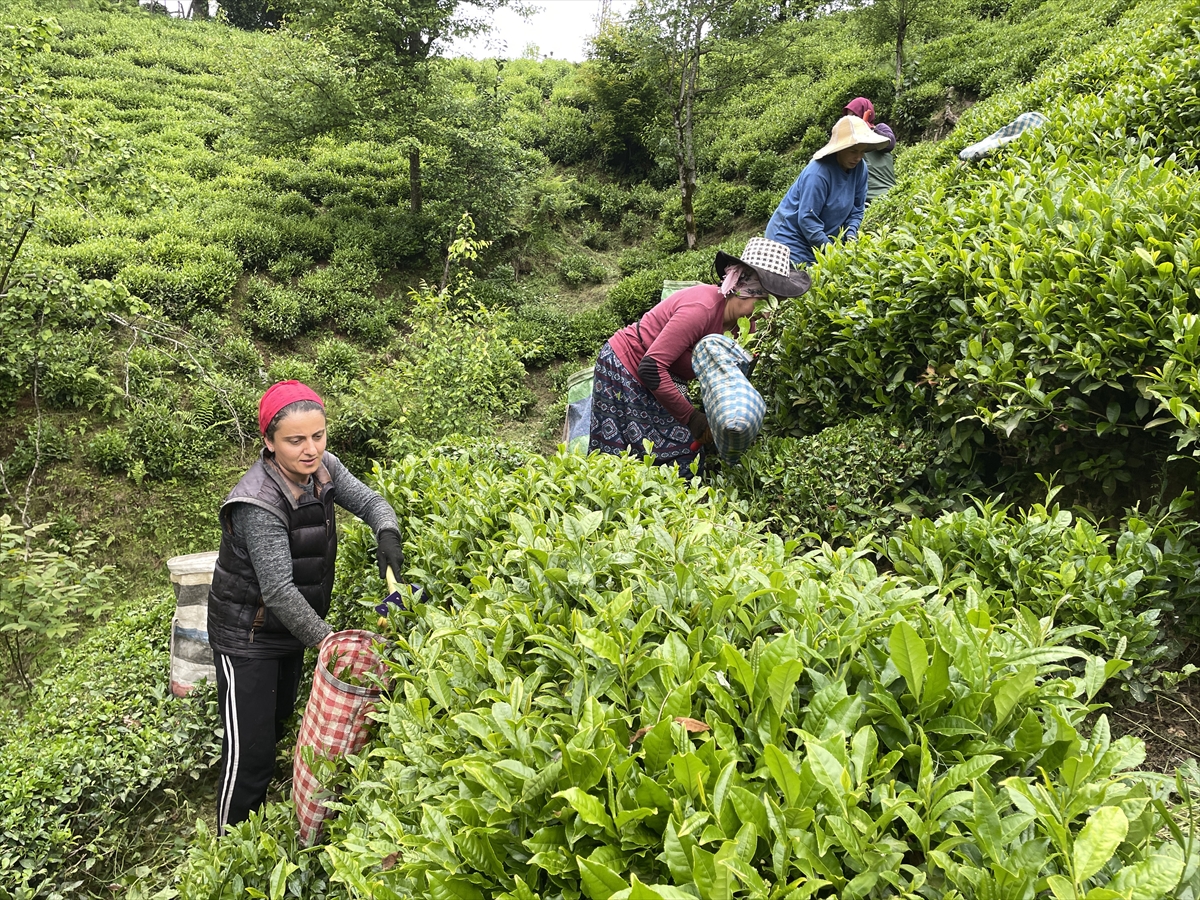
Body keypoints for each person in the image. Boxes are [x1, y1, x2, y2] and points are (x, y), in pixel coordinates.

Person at [206, 380, 404, 834]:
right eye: (295, 440)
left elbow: (371, 501)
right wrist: (330, 643)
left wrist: (386, 534)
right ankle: (229, 847)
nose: (310, 449)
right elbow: (277, 591)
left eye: (318, 436)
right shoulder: (258, 502)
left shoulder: (324, 469)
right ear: (269, 443)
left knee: (272, 731)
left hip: (289, 631)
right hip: (248, 637)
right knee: (248, 755)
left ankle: (254, 831)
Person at [589, 237, 810, 471]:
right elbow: (651, 367)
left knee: (683, 453)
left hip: (667, 376)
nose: (766, 315)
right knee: (625, 458)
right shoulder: (701, 309)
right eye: (764, 303)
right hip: (625, 368)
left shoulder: (746, 327)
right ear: (744, 290)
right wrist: (692, 418)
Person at [765, 114, 892, 267]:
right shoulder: (818, 173)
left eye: (862, 151)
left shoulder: (860, 168)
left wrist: (851, 234)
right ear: (840, 149)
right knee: (800, 284)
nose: (858, 157)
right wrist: (831, 250)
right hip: (790, 239)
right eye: (852, 151)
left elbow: (858, 208)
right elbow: (807, 219)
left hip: (820, 238)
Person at [843, 96, 897, 205]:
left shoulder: (881, 128)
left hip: (887, 191)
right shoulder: (849, 138)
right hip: (863, 198)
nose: (851, 119)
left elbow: (890, 144)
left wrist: (870, 130)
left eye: (854, 115)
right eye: (848, 116)